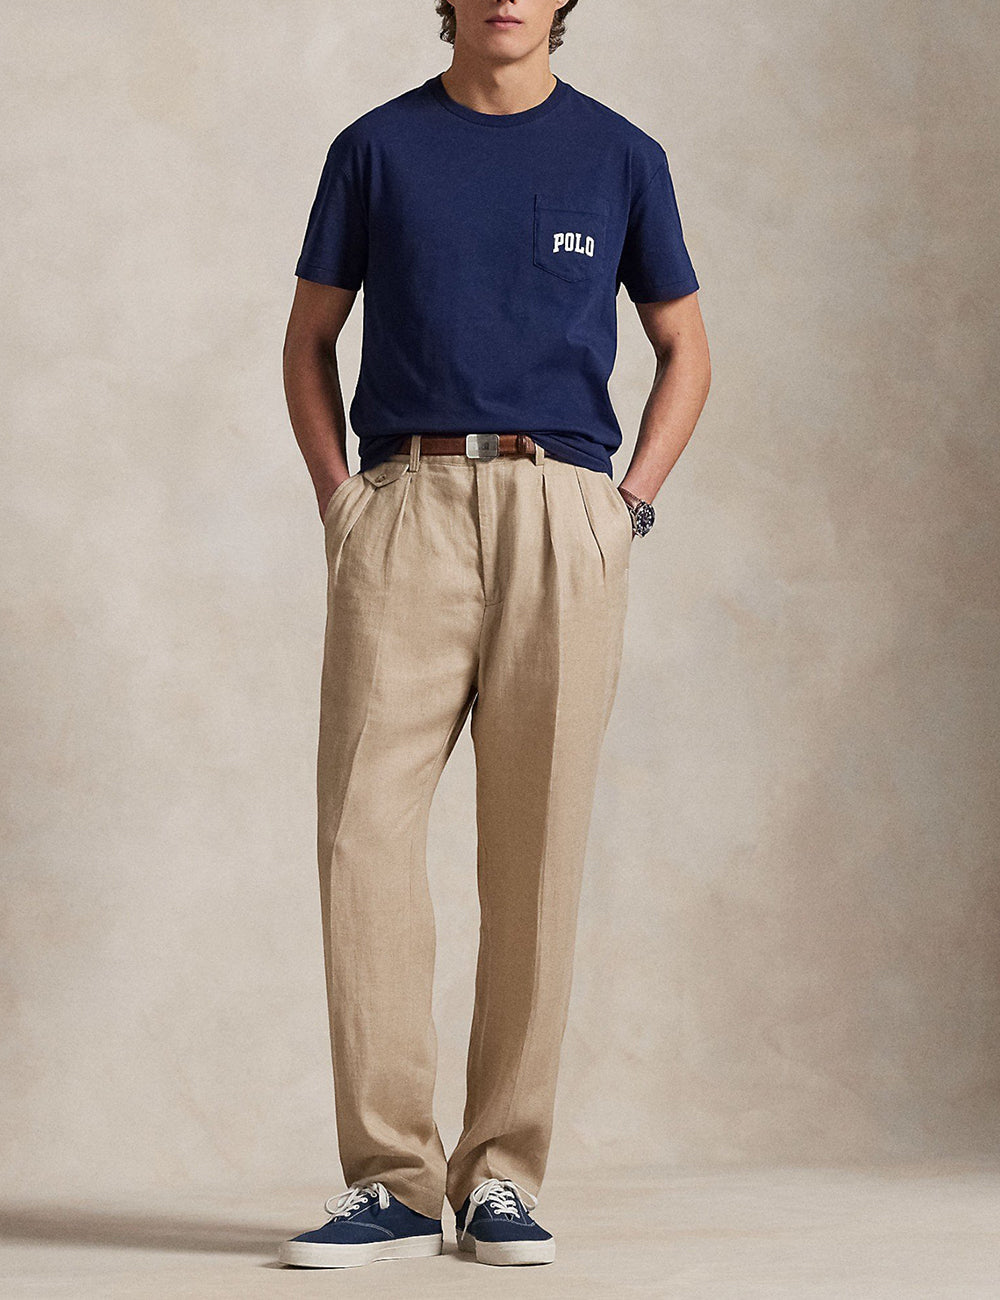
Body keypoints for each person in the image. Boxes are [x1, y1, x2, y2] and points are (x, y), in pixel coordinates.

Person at [278, 0, 711, 1270]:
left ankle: (504, 1173)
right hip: (403, 504)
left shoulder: (621, 156)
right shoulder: (376, 148)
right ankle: (393, 1179)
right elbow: (309, 339)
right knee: (362, 836)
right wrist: (341, 503)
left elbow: (684, 346)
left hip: (561, 512)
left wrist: (627, 504)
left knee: (536, 852)